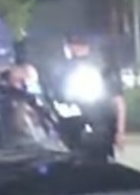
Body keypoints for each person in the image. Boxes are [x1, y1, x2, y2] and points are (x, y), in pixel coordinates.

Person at [48, 34, 127, 163]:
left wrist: (120, 131)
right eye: (70, 45)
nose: (73, 49)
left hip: (99, 129)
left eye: (77, 45)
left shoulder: (103, 69)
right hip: (70, 131)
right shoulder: (61, 70)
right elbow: (54, 100)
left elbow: (118, 102)